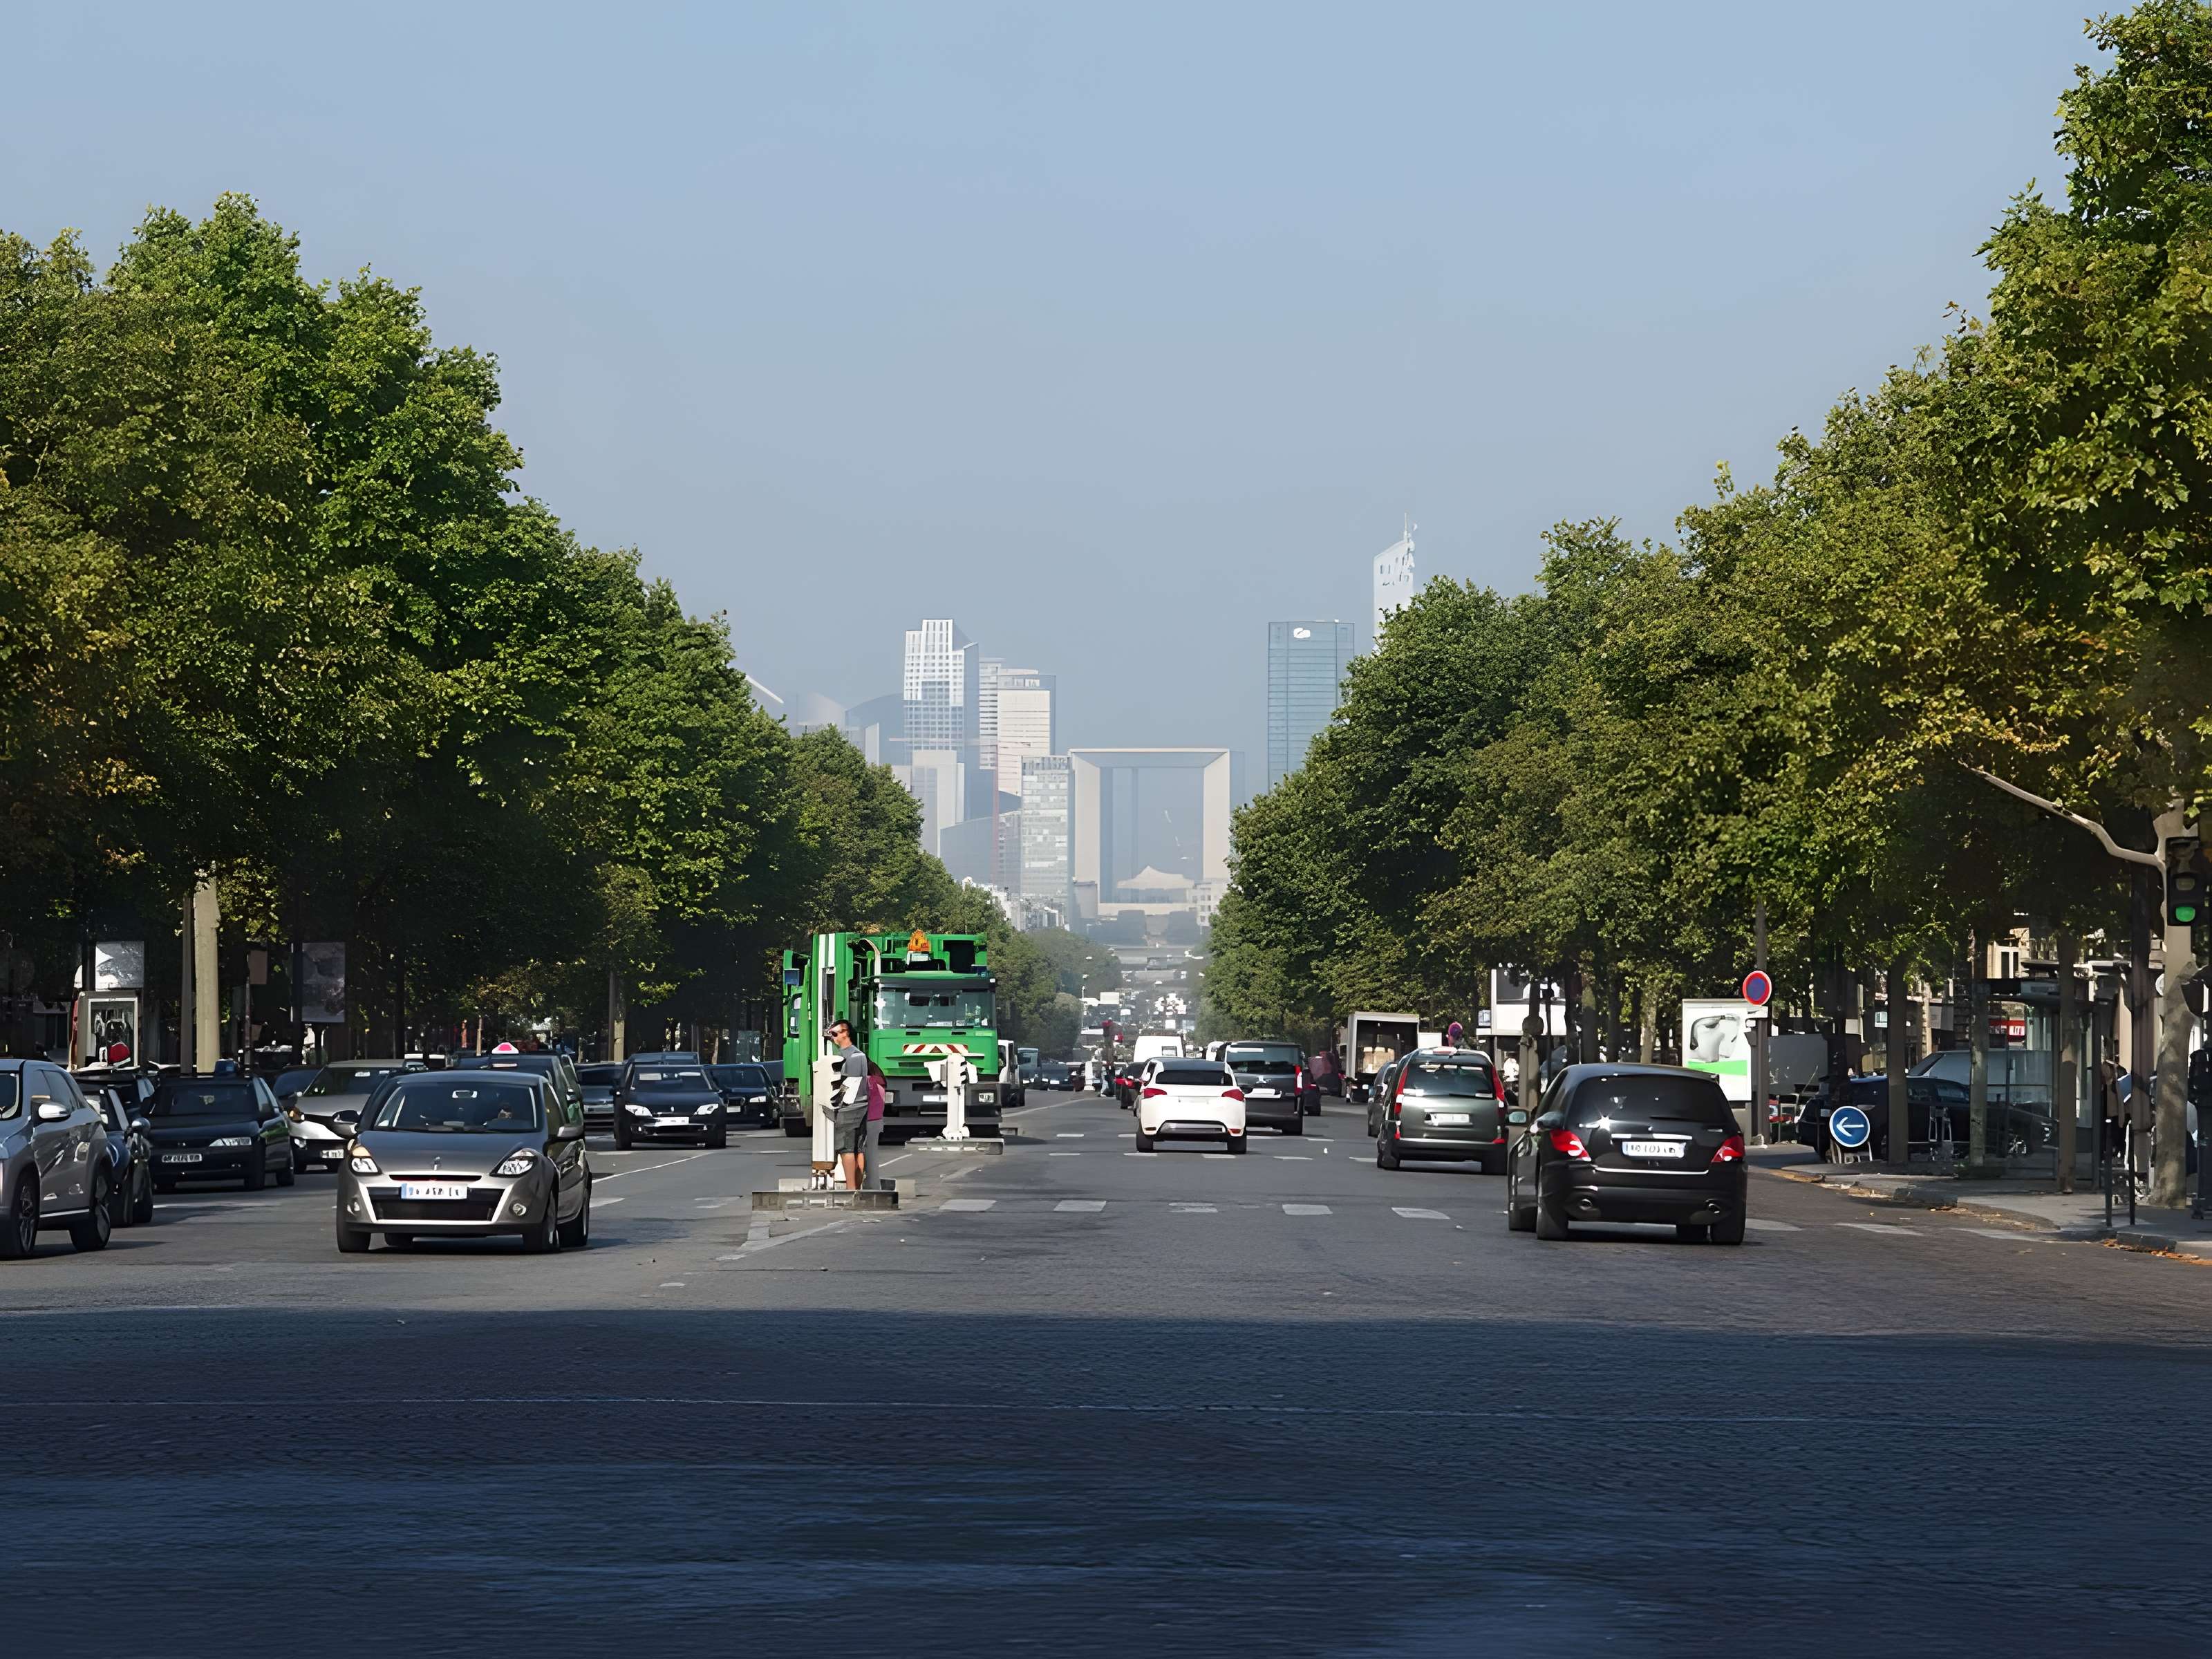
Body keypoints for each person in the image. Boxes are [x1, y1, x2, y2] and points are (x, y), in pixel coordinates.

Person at [828, 1020, 869, 1190]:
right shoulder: (860, 1055)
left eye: (834, 1034)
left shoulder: (850, 1057)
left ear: (845, 1033)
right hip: (863, 1105)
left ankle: (851, 1190)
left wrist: (835, 1099)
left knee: (846, 1149)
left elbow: (849, 1084)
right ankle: (858, 1187)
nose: (833, 1038)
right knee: (859, 1148)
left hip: (850, 1107)